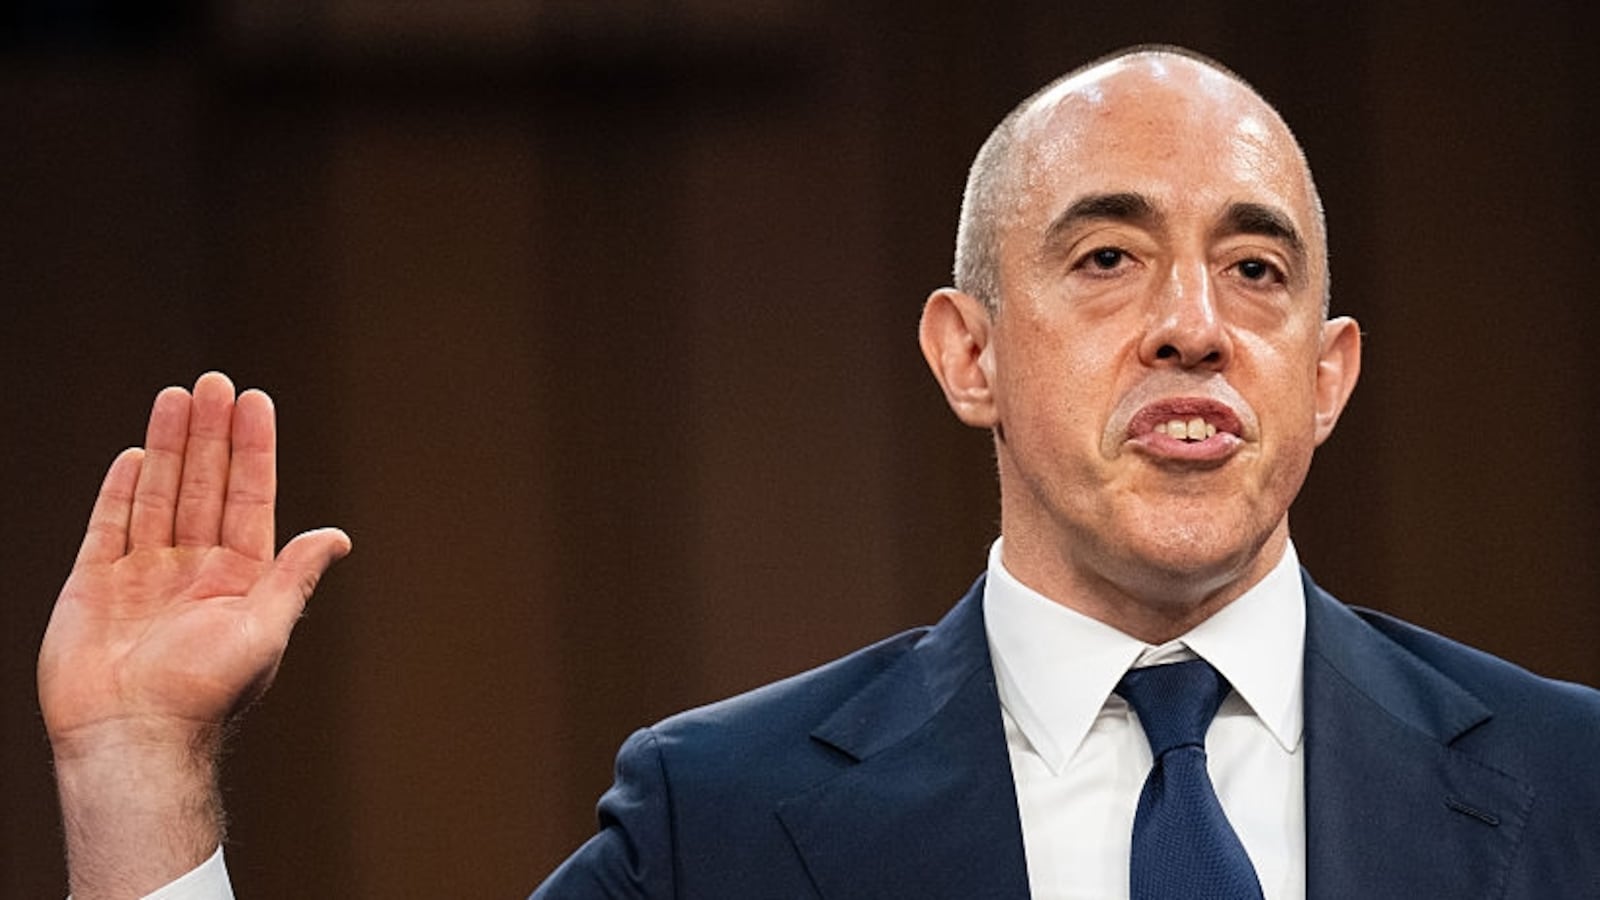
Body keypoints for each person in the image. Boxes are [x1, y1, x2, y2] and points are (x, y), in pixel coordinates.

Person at [39, 45, 1600, 900]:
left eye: (1256, 271)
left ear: (1326, 380)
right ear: (967, 353)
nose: (1194, 325)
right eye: (1110, 255)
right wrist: (134, 776)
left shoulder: (1574, 790)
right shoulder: (722, 820)